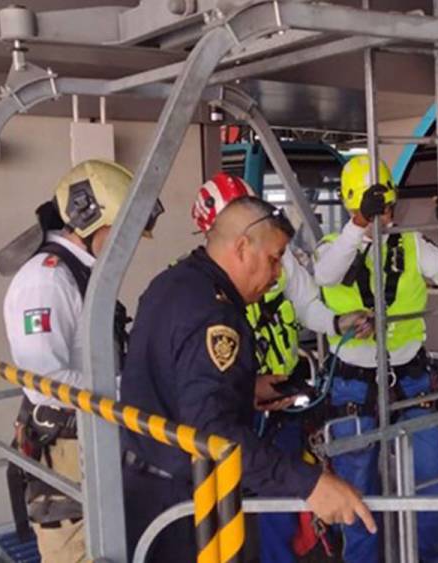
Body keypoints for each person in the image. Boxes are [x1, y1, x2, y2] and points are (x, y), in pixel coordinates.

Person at [120, 195, 376, 562]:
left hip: (144, 486)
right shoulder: (215, 313)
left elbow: (169, 375)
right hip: (183, 501)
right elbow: (213, 433)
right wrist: (310, 483)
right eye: (274, 260)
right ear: (241, 247)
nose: (276, 276)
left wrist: (242, 389)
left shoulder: (172, 284)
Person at [190, 172, 373, 562]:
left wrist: (339, 323)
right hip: (237, 409)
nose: (271, 266)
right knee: (228, 511)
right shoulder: (200, 286)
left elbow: (307, 306)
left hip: (283, 400)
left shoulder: (281, 256)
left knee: (281, 509)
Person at [313, 155, 438, 563]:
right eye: (374, 207)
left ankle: (428, 556)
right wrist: (357, 229)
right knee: (356, 489)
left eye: (386, 206)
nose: (384, 215)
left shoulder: (409, 244)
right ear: (353, 207)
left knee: (432, 479)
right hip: (354, 382)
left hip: (412, 377)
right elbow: (325, 276)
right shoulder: (333, 249)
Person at [1, 159, 163, 563]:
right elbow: (45, 381)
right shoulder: (46, 279)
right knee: (76, 553)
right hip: (68, 451)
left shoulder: (83, 273)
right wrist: (131, 389)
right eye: (121, 233)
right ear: (91, 222)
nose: (126, 246)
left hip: (96, 438)